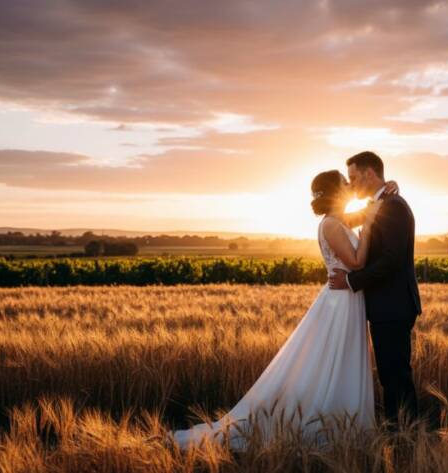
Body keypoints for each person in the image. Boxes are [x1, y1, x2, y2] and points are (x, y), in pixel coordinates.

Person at [168, 169, 399, 450]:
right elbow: (358, 262)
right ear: (335, 192)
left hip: (347, 300)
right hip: (340, 303)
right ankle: (329, 422)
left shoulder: (338, 220)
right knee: (335, 360)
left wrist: (382, 196)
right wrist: (369, 227)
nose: (350, 185)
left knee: (342, 360)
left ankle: (344, 421)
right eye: (345, 183)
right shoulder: (330, 225)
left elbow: (364, 215)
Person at [328, 151, 422, 428]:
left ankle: (405, 434)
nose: (352, 184)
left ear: (370, 174)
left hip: (393, 305)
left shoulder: (392, 206)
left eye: (354, 178)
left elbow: (392, 260)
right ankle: (401, 431)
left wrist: (351, 282)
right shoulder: (378, 204)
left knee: (395, 375)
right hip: (386, 305)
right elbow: (339, 221)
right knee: (390, 375)